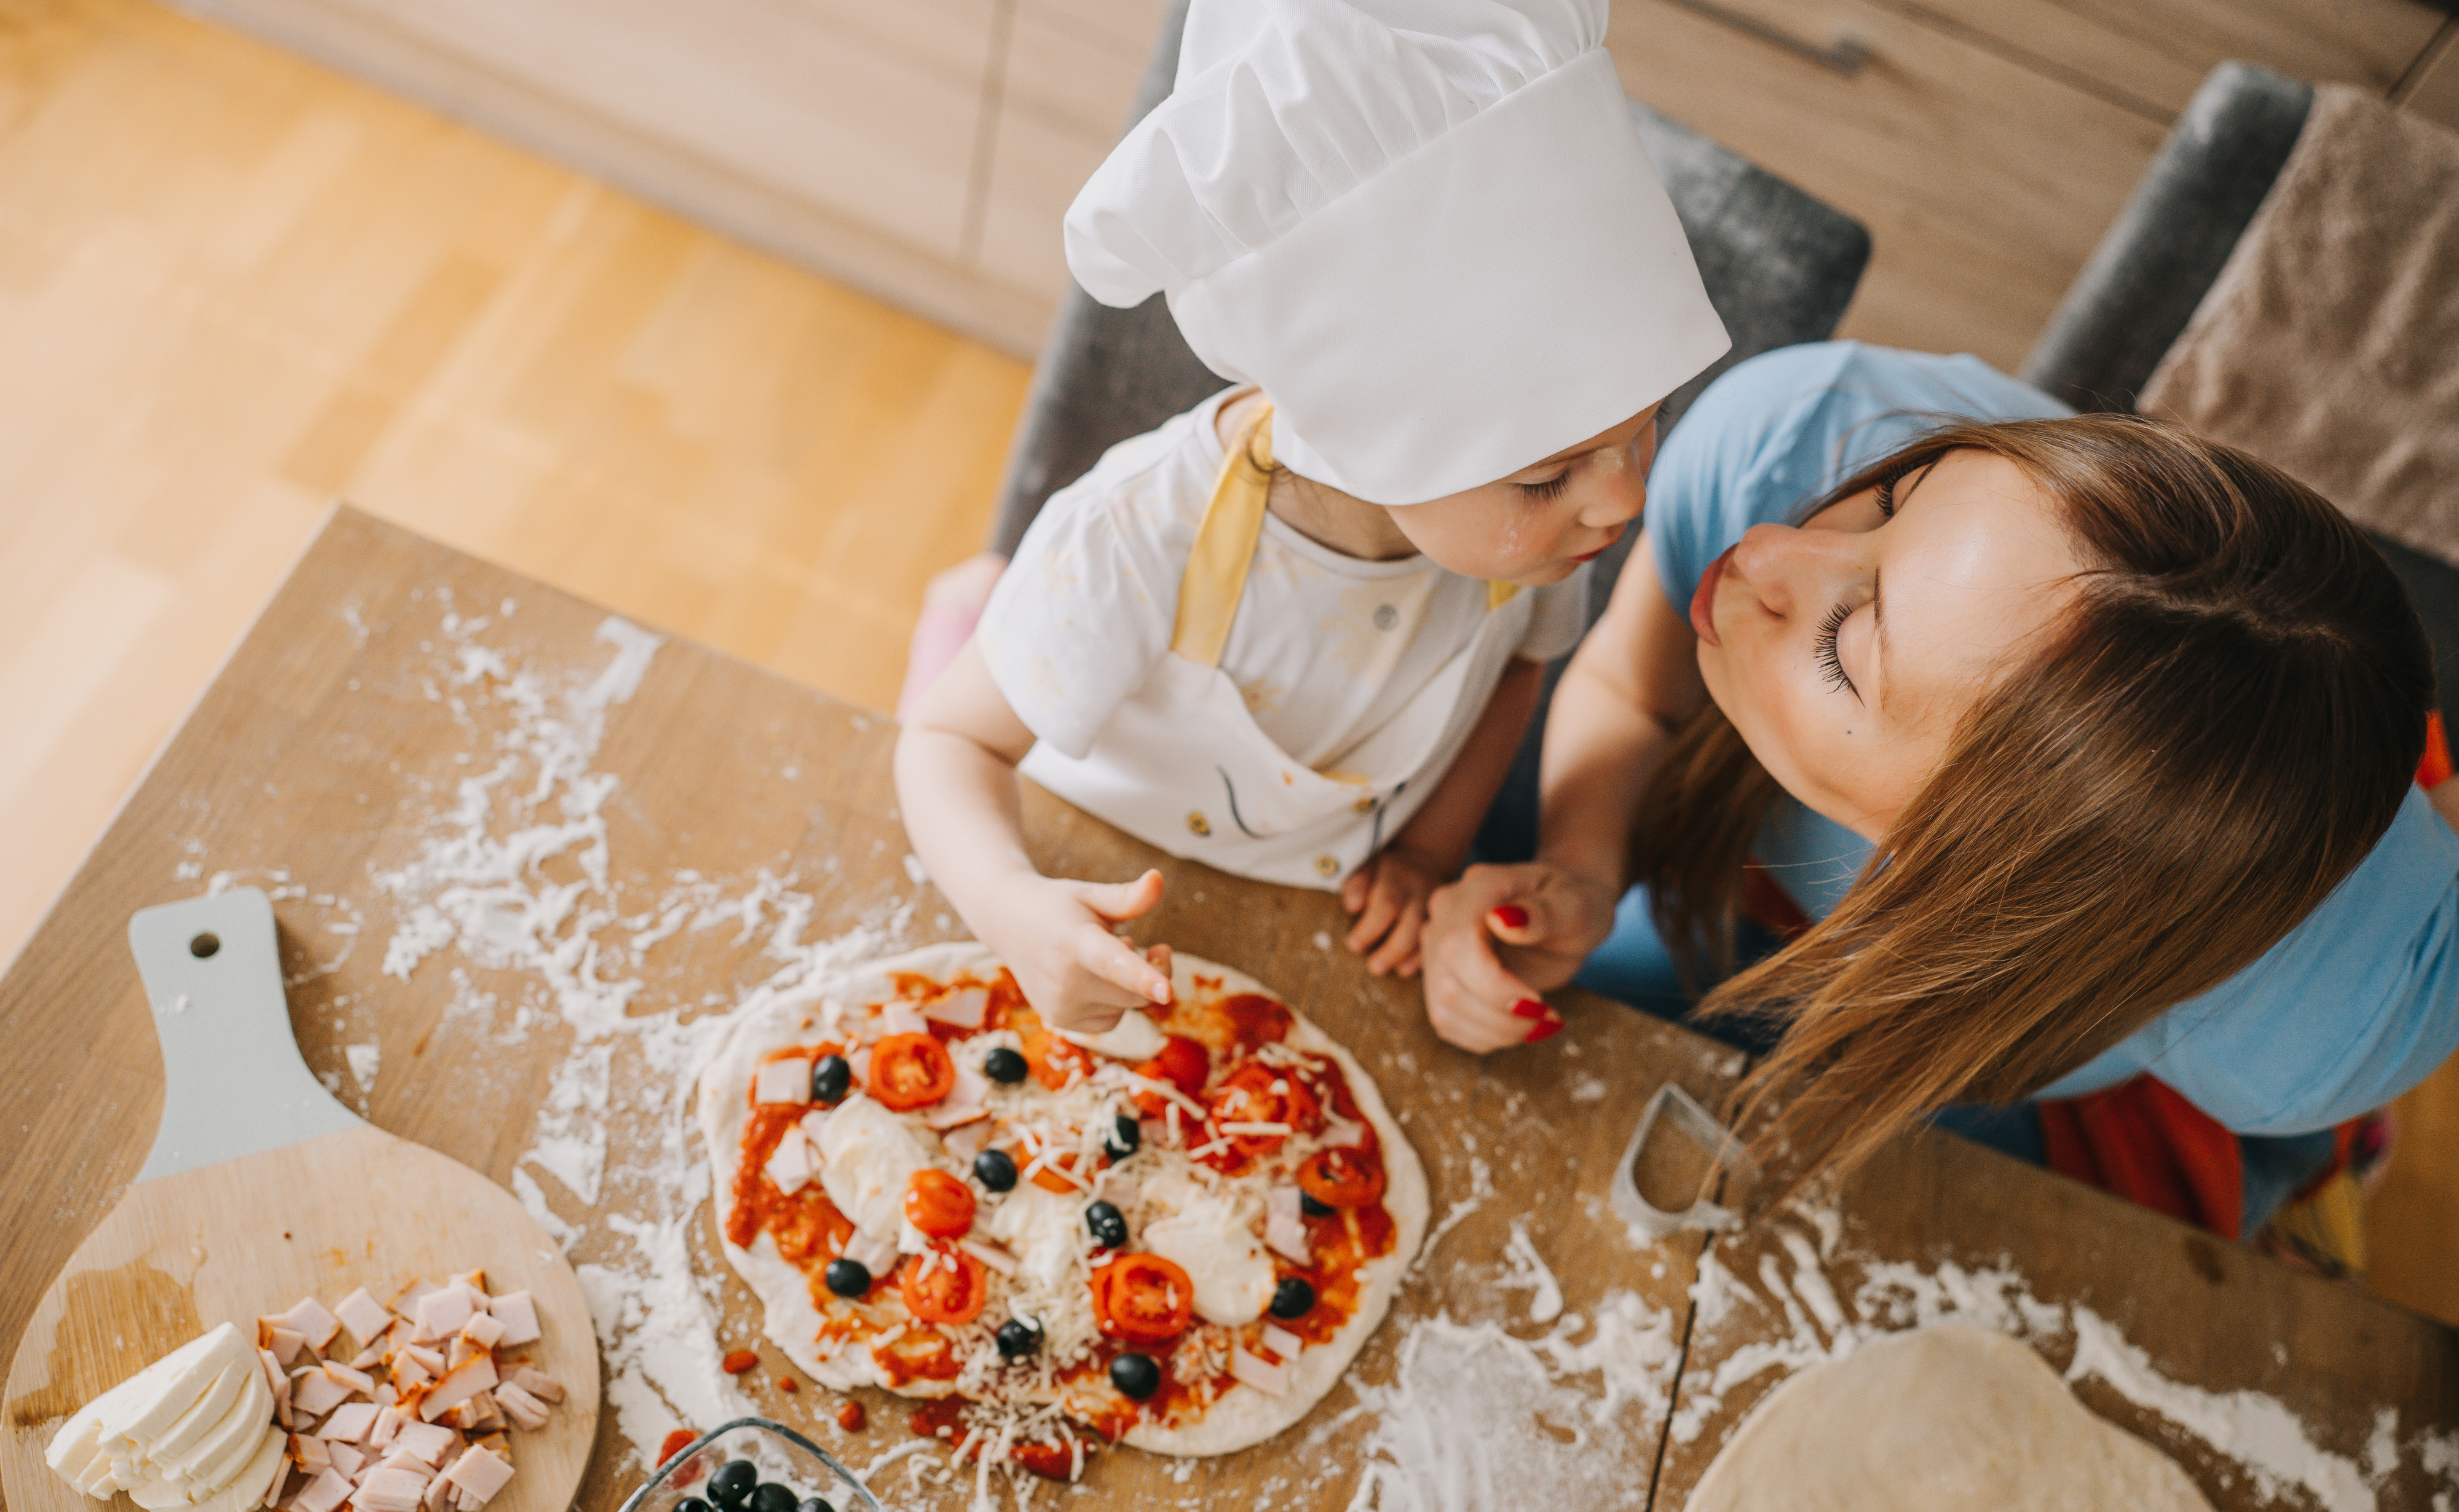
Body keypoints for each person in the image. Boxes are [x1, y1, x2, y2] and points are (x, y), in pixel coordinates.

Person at [1419, 340, 2459, 1221]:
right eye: (1889, 498)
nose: (1766, 549)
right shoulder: (1795, 429)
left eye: (1846, 647)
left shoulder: (2325, 1031)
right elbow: (1636, 692)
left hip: (2042, 1057)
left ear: (1991, 878)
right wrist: (1582, 869)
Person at [897, 0, 1730, 1030]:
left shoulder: (1544, 538)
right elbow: (944, 743)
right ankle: (978, 611)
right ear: (1360, 439)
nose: (1626, 497)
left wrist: (1427, 849)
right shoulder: (1140, 534)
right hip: (1083, 854)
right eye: (1549, 473)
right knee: (989, 654)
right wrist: (1013, 906)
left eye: (1644, 428)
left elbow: (1517, 670)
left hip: (1301, 909)